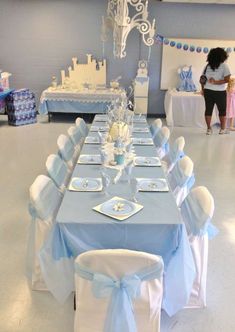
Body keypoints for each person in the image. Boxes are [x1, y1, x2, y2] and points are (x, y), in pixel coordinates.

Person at [201, 47, 231, 135]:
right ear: (222, 56)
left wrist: (202, 89)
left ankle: (209, 129)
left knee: (208, 110)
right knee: (222, 110)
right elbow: (227, 79)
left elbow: (202, 79)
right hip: (220, 92)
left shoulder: (207, 66)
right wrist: (216, 82)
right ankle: (222, 129)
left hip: (208, 91)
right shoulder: (224, 65)